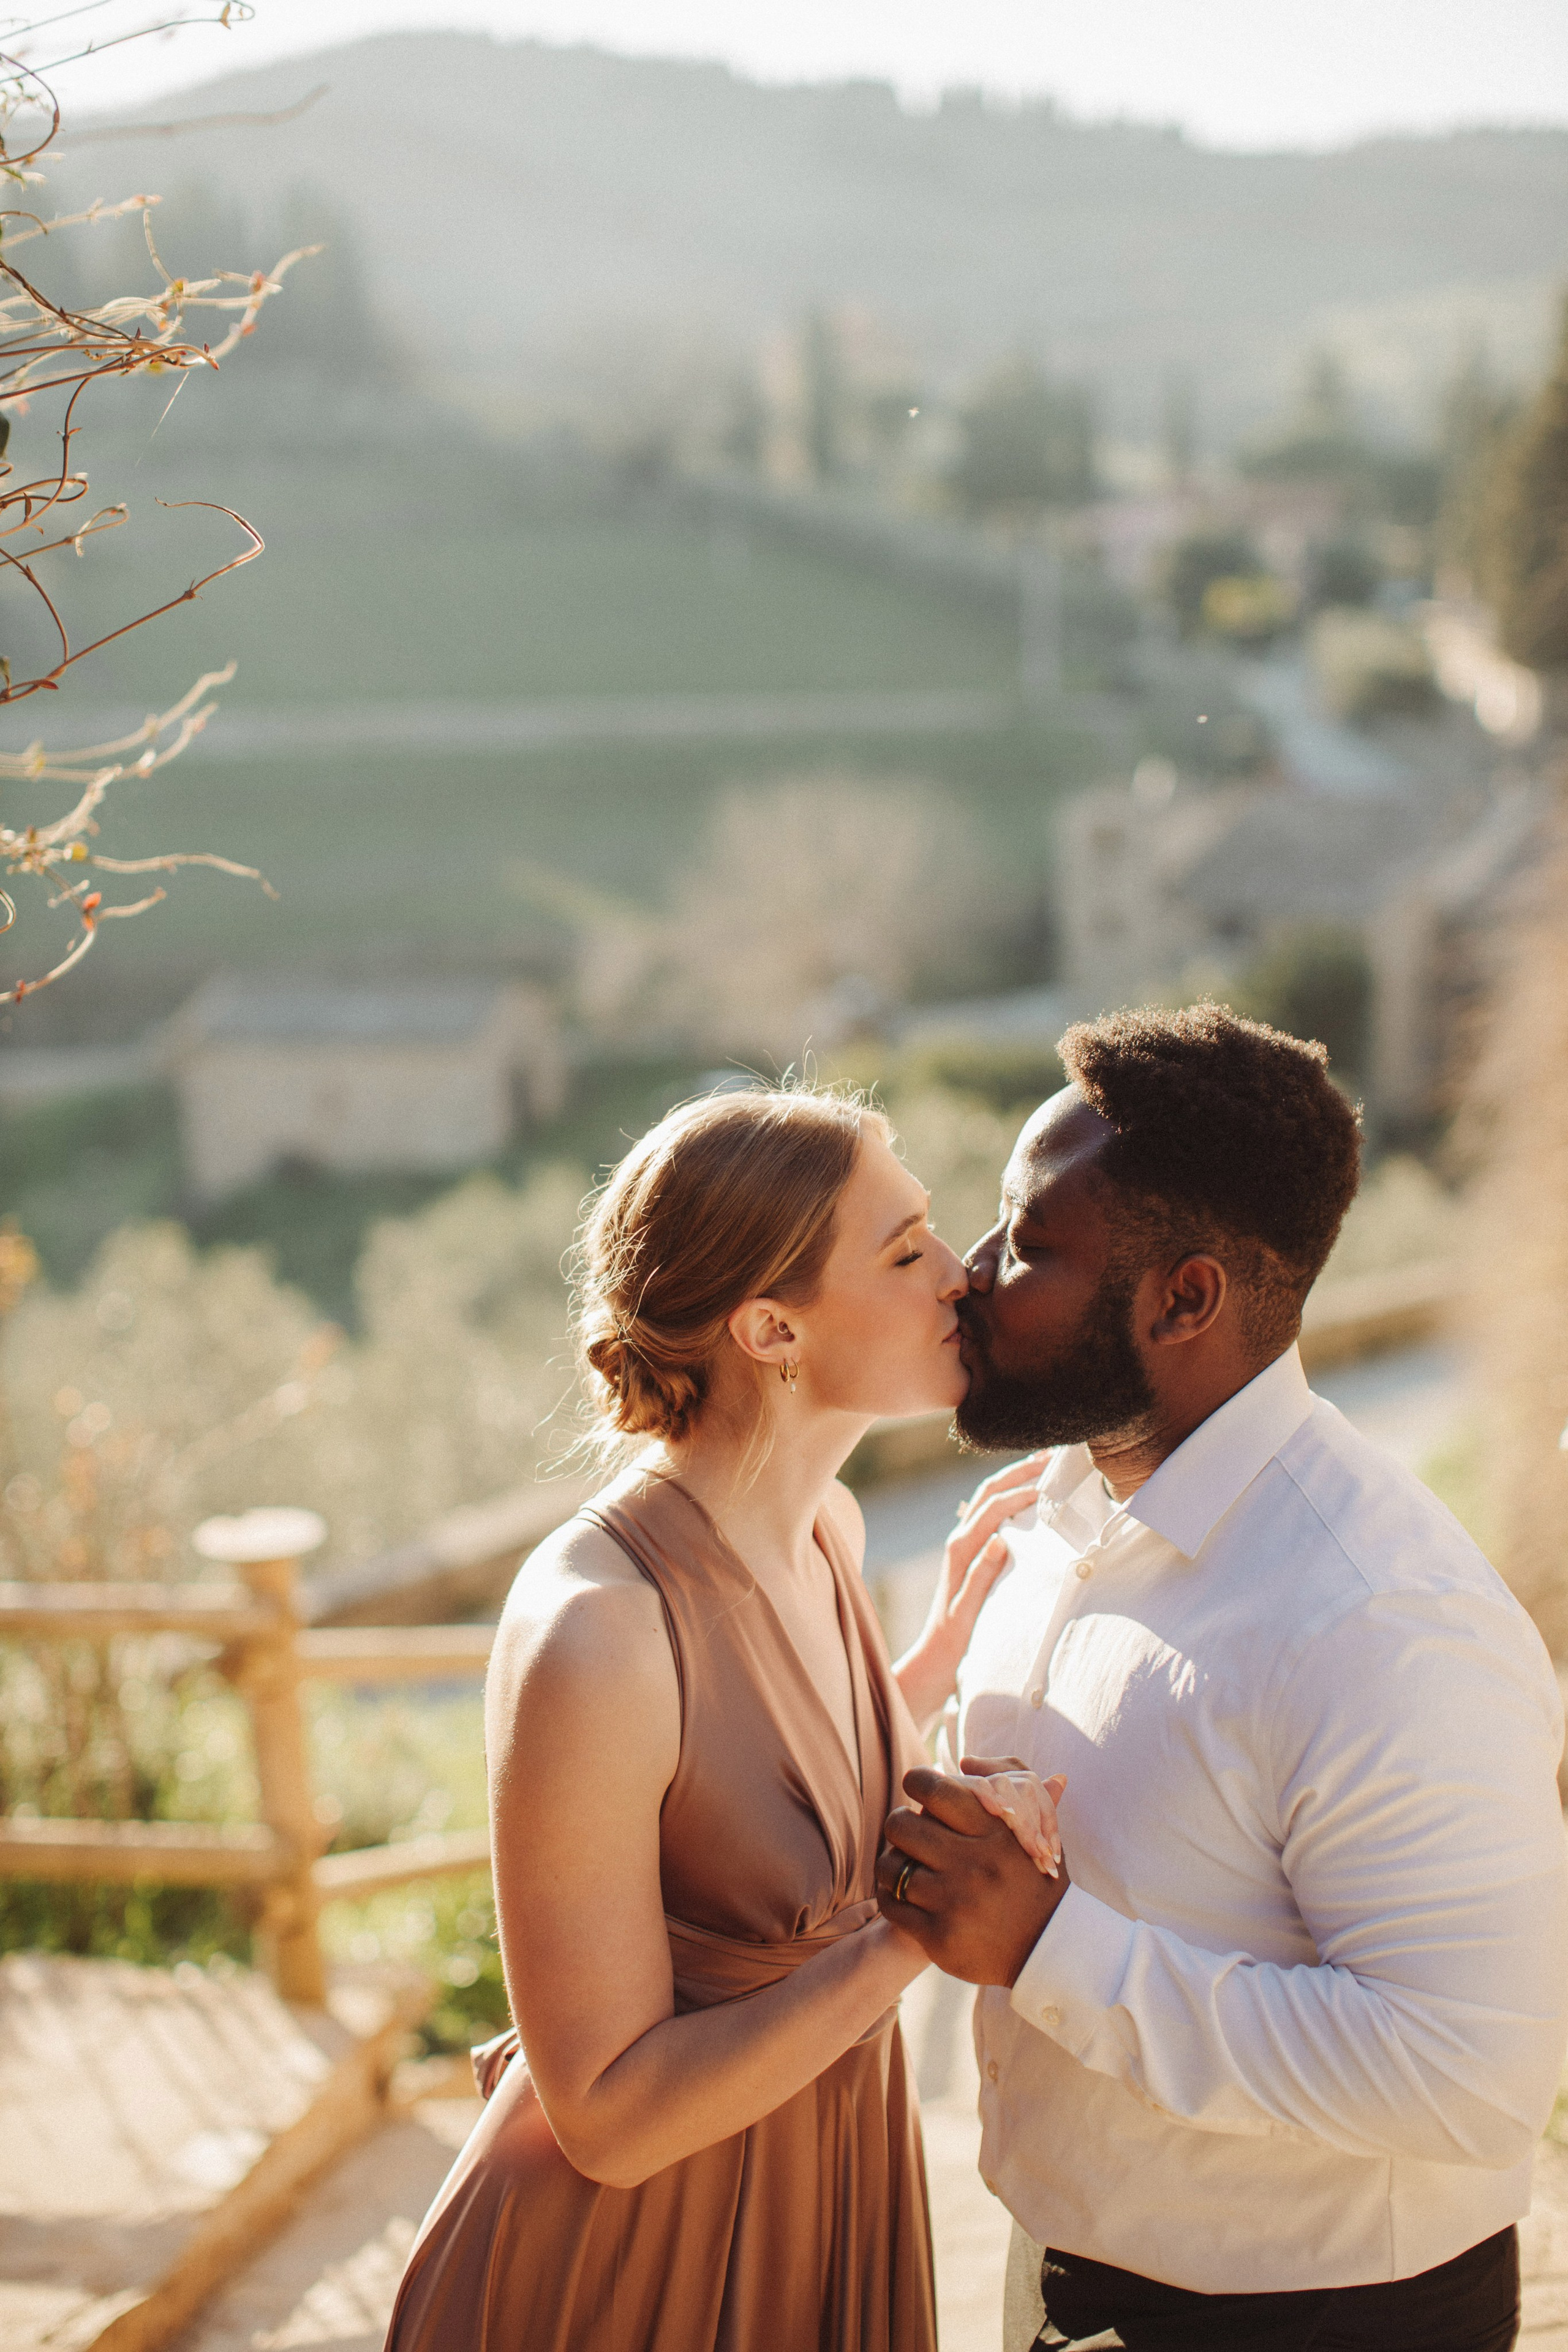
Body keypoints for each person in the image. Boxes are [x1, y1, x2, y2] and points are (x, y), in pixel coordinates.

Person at [878, 1001, 1568, 2352]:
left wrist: (1046, 1945)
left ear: (1183, 1297)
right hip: (1059, 2262)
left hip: (1313, 2319)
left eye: (1026, 1246)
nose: (967, 1275)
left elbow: (1471, 2074)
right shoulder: (1044, 1520)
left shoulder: (1377, 1618)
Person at [383, 1085, 1054, 2352]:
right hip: (636, 2267)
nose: (962, 1275)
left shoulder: (828, 1530)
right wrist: (915, 1936)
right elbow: (609, 2116)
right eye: (905, 1248)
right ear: (768, 1328)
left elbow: (751, 1806)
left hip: (826, 2182)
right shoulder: (598, 1630)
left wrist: (914, 1680)